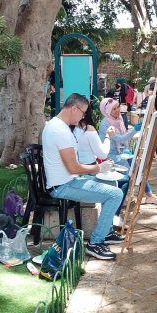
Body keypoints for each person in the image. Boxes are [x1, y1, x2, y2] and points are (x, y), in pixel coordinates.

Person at [42, 93, 125, 260]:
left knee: (113, 185)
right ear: (74, 108)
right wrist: (98, 168)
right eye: (83, 112)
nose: (83, 116)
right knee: (116, 194)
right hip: (63, 186)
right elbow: (73, 167)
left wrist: (96, 169)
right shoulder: (60, 130)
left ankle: (106, 231)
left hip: (69, 180)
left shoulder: (59, 126)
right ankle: (95, 243)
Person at [98, 97, 157, 205]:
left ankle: (149, 195)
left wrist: (127, 150)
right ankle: (121, 198)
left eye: (117, 107)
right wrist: (134, 129)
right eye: (113, 109)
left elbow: (124, 138)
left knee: (137, 168)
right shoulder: (105, 123)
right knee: (131, 172)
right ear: (107, 111)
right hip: (109, 155)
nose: (117, 110)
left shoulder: (119, 119)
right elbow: (119, 139)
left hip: (121, 152)